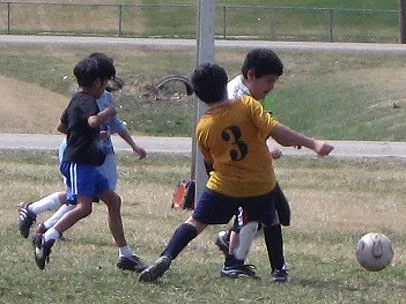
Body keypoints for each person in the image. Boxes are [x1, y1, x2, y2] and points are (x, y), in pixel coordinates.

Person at [138, 62, 333, 282]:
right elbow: (277, 132)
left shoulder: (203, 126)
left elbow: (210, 161)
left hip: (224, 185)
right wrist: (312, 143)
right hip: (259, 183)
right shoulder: (247, 105)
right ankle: (278, 270)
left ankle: (167, 256)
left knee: (195, 222)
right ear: (225, 84)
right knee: (272, 219)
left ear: (200, 96)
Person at [33, 54, 146, 272]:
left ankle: (126, 255)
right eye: (104, 83)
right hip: (79, 163)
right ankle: (47, 237)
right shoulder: (88, 101)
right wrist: (107, 113)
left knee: (113, 201)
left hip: (88, 162)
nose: (105, 88)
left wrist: (81, 134)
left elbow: (63, 126)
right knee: (83, 207)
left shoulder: (76, 99)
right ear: (98, 83)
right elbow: (93, 120)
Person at [214, 48, 292, 282]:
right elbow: (239, 135)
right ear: (251, 74)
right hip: (236, 166)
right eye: (269, 81)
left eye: (275, 81)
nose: (272, 87)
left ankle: (231, 245)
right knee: (256, 213)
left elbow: (265, 124)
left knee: (280, 213)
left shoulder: (259, 94)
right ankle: (238, 261)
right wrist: (268, 149)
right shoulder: (237, 96)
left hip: (255, 164)